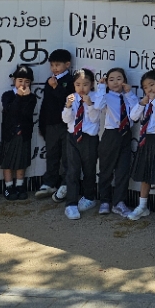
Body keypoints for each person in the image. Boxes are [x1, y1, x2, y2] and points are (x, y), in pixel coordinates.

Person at [126, 71, 155, 222]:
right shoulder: (144, 103)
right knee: (145, 175)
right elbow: (133, 117)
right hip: (145, 140)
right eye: (145, 87)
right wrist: (142, 104)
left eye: (152, 85)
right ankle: (142, 206)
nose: (149, 89)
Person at [96, 68, 142, 215]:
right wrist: (101, 87)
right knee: (106, 169)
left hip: (126, 134)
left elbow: (136, 113)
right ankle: (104, 200)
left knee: (123, 170)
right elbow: (98, 106)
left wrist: (129, 93)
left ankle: (119, 202)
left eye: (119, 78)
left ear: (124, 81)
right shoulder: (106, 96)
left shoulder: (128, 96)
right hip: (111, 134)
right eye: (111, 79)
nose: (115, 82)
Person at [61, 68, 101, 219]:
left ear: (91, 84)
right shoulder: (71, 97)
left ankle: (89, 197)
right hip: (72, 136)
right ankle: (71, 204)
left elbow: (95, 119)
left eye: (85, 84)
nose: (81, 88)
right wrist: (68, 106)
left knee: (89, 169)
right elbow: (66, 119)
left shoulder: (96, 97)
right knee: (73, 170)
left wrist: (89, 104)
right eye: (78, 84)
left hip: (89, 138)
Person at [35, 49, 74, 199]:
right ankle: (49, 183)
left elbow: (67, 100)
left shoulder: (70, 81)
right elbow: (45, 104)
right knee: (51, 154)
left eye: (57, 65)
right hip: (51, 125)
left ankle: (65, 184)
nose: (54, 68)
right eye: (52, 65)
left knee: (66, 156)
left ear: (67, 64)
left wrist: (56, 87)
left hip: (66, 125)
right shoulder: (50, 81)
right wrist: (42, 124)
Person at [0, 65, 38, 201]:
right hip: (9, 134)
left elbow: (26, 114)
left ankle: (20, 185)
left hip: (24, 134)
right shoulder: (7, 95)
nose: (23, 84)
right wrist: (19, 97)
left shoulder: (32, 98)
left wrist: (25, 98)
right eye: (20, 80)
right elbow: (11, 112)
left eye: (27, 81)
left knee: (22, 161)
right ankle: (8, 186)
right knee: (7, 162)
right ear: (14, 80)